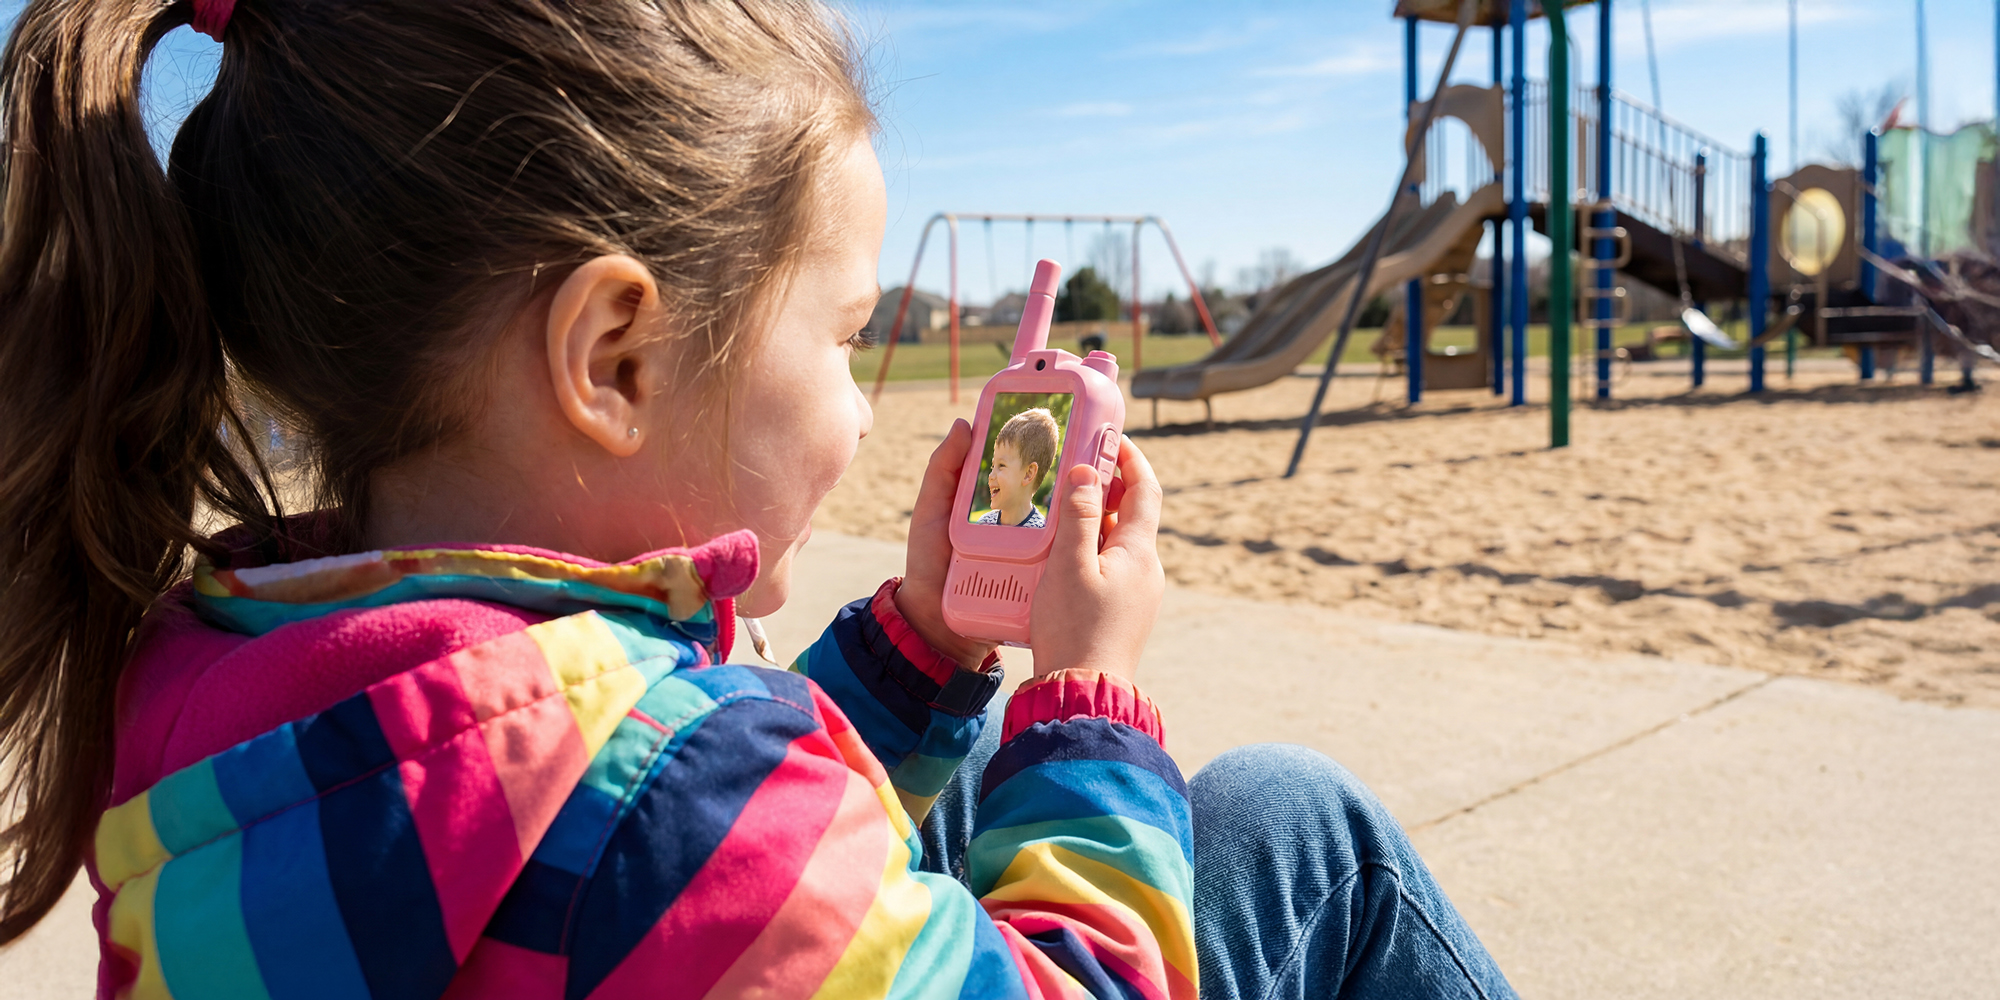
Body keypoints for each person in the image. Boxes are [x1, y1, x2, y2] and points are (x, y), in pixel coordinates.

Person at [0, 2, 1517, 998]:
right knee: (1303, 829)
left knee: (998, 748)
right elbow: (693, 808)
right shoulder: (681, 799)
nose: (863, 412)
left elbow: (643, 767)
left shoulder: (219, 673)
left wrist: (926, 643)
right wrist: (1091, 701)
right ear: (617, 356)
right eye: (847, 340)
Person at [976, 407, 1058, 528]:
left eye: (1001, 465)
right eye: (993, 466)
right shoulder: (984, 523)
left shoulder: (1039, 532)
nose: (991, 476)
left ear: (1028, 474)